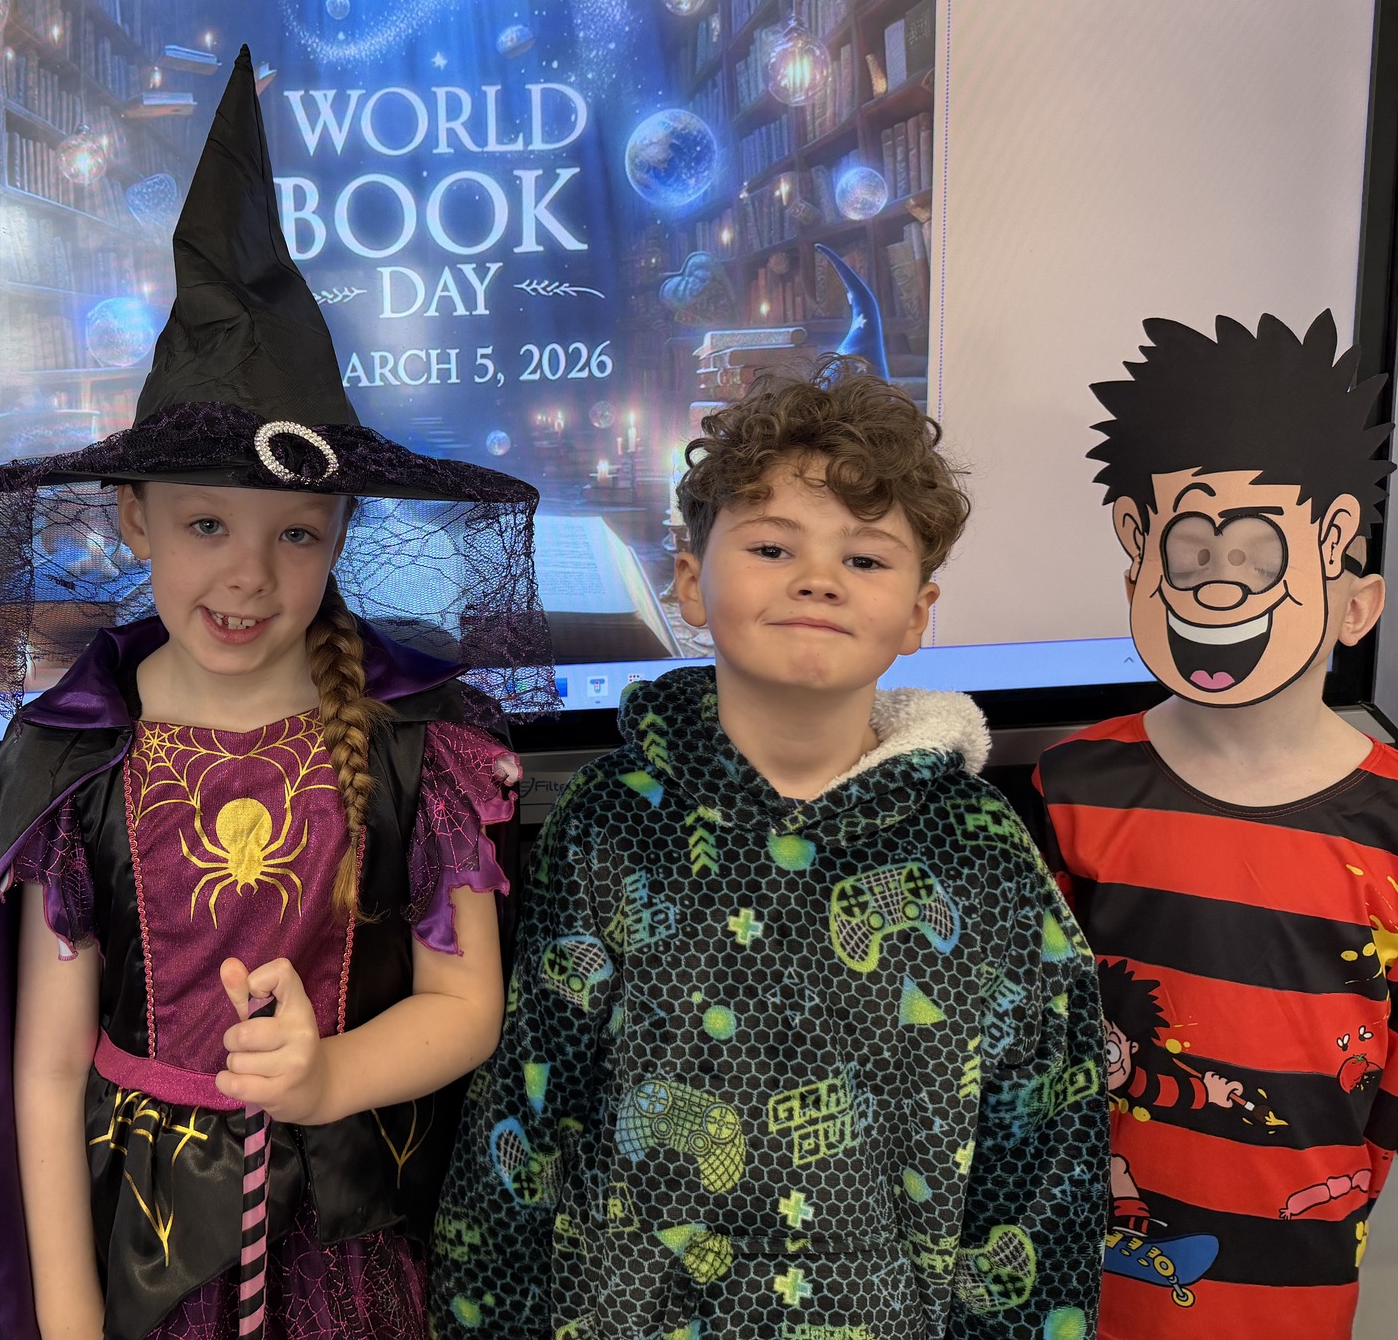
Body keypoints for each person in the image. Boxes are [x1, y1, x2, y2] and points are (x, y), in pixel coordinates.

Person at [0, 48, 556, 1340]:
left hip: (346, 1261)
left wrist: (327, 1077)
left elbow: (465, 1007)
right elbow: (44, 1074)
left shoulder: (415, 745)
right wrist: (67, 1325)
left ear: (341, 532)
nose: (248, 577)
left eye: (296, 535)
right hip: (141, 1267)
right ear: (132, 518)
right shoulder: (78, 759)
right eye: (206, 524)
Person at [431, 362, 1108, 1339]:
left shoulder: (983, 851)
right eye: (770, 545)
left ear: (918, 614)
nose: (817, 577)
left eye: (865, 559)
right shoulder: (607, 821)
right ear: (688, 583)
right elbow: (527, 1109)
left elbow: (1042, 1150)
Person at [1034, 312, 1398, 1336]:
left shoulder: (1388, 816)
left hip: (1296, 1279)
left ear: (1354, 601)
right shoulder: (1073, 783)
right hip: (1083, 1273)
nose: (1221, 585)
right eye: (1192, 553)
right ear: (1138, 565)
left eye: (1252, 551)